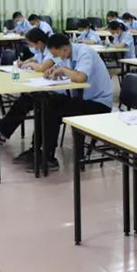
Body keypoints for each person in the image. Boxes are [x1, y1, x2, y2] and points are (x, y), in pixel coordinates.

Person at [0, 28, 56, 159]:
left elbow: (42, 67)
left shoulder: (52, 51)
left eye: (31, 44)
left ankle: (1, 131)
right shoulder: (41, 50)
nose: (30, 46)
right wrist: (25, 62)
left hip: (54, 91)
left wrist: (31, 65)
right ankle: (1, 131)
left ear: (39, 42)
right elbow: (35, 59)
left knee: (25, 101)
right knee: (23, 101)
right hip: (44, 86)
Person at [38, 34, 114, 172]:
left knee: (53, 110)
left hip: (99, 103)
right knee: (47, 103)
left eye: (57, 55)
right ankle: (38, 150)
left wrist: (62, 70)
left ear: (65, 49)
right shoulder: (66, 55)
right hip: (82, 99)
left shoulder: (84, 52)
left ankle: (48, 156)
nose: (57, 59)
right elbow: (63, 69)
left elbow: (80, 77)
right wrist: (53, 70)